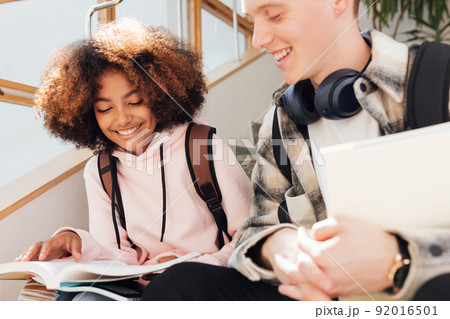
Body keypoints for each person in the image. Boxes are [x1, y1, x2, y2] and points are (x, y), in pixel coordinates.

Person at [141, 0, 450, 301]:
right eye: (252, 20)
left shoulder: (440, 82)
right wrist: (279, 247)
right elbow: (255, 229)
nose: (258, 39)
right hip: (322, 302)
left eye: (274, 15)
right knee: (181, 285)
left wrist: (400, 260)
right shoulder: (281, 120)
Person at [15, 18, 253, 300]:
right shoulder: (101, 170)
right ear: (89, 115)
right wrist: (76, 240)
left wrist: (197, 265)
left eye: (135, 102)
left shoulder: (203, 144)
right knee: (61, 299)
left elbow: (250, 234)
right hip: (140, 290)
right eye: (105, 109)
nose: (122, 118)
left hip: (205, 281)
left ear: (159, 94)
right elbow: (117, 255)